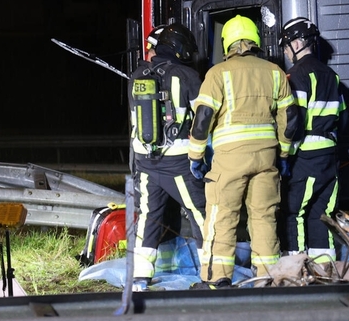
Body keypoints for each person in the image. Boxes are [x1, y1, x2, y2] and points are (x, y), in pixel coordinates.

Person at [188, 15, 300, 288]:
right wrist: (284, 155)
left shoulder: (217, 74)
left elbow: (203, 118)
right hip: (266, 159)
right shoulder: (274, 72)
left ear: (227, 43)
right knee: (264, 218)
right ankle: (268, 279)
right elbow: (291, 117)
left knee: (221, 217)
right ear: (255, 41)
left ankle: (216, 279)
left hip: (229, 160)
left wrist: (196, 156)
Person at [128, 23, 207, 291]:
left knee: (149, 218)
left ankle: (140, 277)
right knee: (200, 214)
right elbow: (205, 117)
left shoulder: (138, 75)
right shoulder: (188, 75)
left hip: (146, 163)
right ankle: (211, 272)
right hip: (179, 162)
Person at [278, 17, 347, 263]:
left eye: (285, 47)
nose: (286, 52)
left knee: (293, 212)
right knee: (322, 213)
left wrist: (285, 154)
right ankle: (325, 269)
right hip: (330, 156)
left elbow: (293, 121)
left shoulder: (295, 76)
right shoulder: (332, 76)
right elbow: (345, 121)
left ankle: (296, 271)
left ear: (296, 43)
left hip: (305, 156)